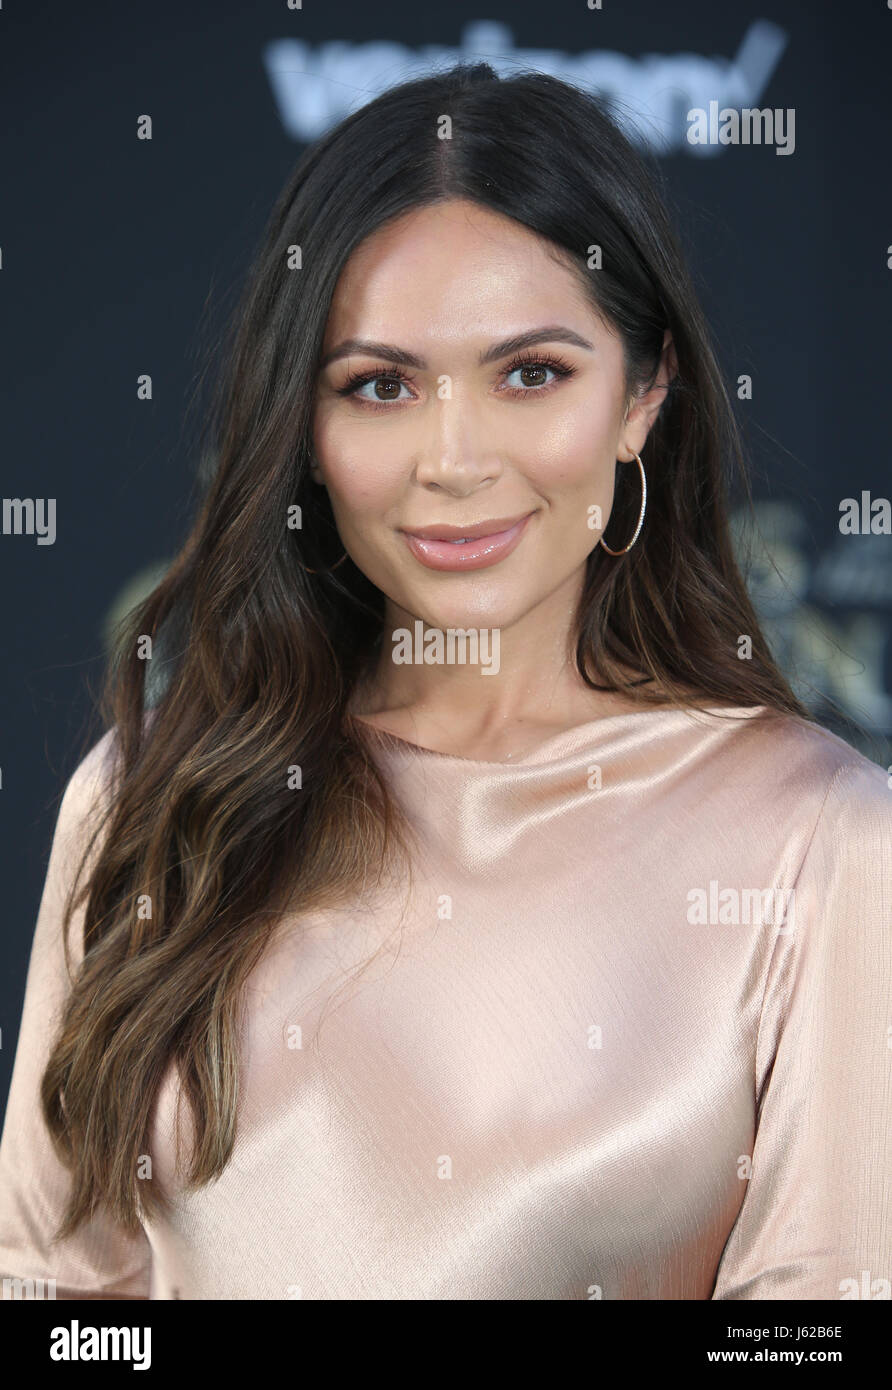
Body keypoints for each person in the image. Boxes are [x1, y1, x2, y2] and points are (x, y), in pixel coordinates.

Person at [1, 62, 889, 1301]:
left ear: (645, 395)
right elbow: (54, 1298)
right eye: (381, 386)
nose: (453, 460)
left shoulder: (822, 842)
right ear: (302, 429)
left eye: (530, 372)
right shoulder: (152, 797)